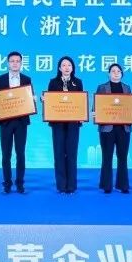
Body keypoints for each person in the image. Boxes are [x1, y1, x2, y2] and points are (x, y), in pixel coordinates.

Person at [0, 51, 33, 194]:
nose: (15, 63)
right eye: (12, 61)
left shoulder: (27, 79)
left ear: (21, 63)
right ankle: (7, 183)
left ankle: (20, 183)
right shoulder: (0, 79)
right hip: (6, 122)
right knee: (6, 155)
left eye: (17, 61)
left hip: (21, 122)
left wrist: (32, 101)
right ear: (8, 63)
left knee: (20, 154)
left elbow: (29, 99)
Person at [46, 56, 83, 194]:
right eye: (64, 65)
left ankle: (71, 186)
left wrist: (82, 114)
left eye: (69, 65)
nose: (67, 67)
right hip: (58, 124)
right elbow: (50, 100)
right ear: (59, 68)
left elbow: (81, 101)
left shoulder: (78, 82)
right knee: (59, 153)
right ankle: (61, 185)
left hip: (73, 124)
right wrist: (45, 100)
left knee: (72, 154)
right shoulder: (53, 82)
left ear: (72, 68)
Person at [95, 63, 132, 194]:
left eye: (118, 71)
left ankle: (123, 185)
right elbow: (97, 105)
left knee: (123, 157)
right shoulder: (102, 87)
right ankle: (106, 185)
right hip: (107, 128)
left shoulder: (127, 88)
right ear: (108, 74)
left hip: (123, 128)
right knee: (107, 157)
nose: (116, 73)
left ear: (122, 74)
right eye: (113, 71)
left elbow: (131, 106)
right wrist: (95, 113)